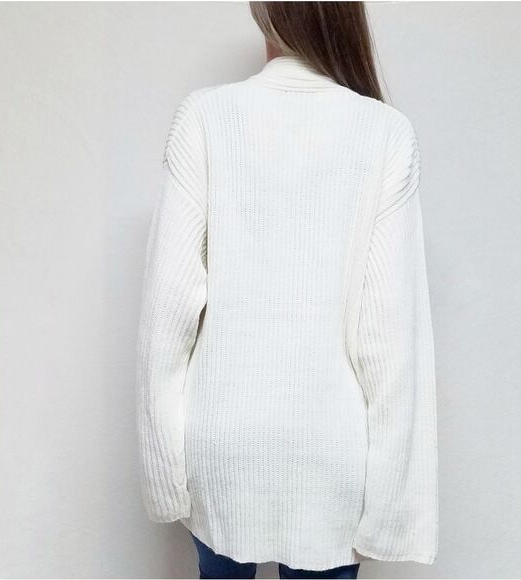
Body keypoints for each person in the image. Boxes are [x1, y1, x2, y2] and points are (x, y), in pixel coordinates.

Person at [135, 2, 438, 578]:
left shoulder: (205, 116)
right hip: (332, 452)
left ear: (268, 15)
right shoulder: (385, 131)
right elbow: (390, 335)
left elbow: (167, 312)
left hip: (221, 445)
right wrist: (391, 507)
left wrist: (165, 475)